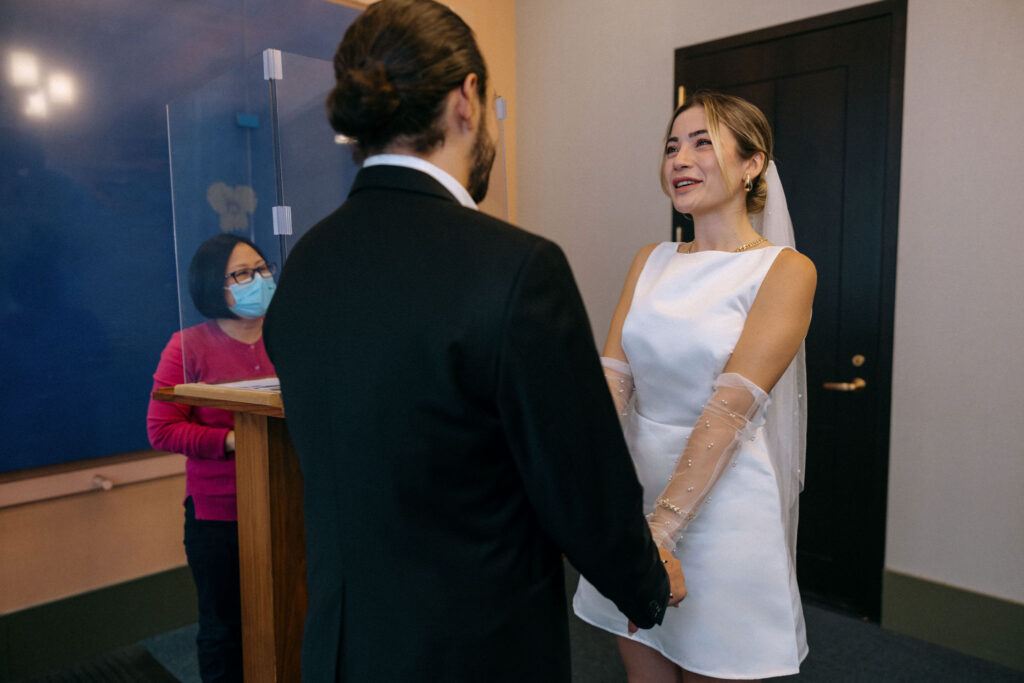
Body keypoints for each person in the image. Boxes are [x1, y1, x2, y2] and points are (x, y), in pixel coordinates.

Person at [261, 1, 684, 680]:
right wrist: (645, 583)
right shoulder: (516, 267)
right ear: (467, 99)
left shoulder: (305, 264)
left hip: (343, 649)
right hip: (474, 647)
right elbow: (578, 476)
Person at [572, 91, 817, 682]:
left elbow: (731, 410)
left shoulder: (783, 270)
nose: (680, 159)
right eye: (672, 146)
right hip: (638, 490)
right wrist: (601, 502)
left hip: (725, 507)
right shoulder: (649, 260)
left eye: (702, 143)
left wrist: (659, 535)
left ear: (752, 164)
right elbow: (612, 381)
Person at [147, 233, 277, 682]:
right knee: (224, 629)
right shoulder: (187, 346)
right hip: (219, 515)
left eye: (263, 269)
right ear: (211, 285)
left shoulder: (290, 333)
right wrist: (235, 440)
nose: (257, 280)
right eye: (242, 274)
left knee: (286, 614)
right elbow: (161, 428)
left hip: (289, 505)